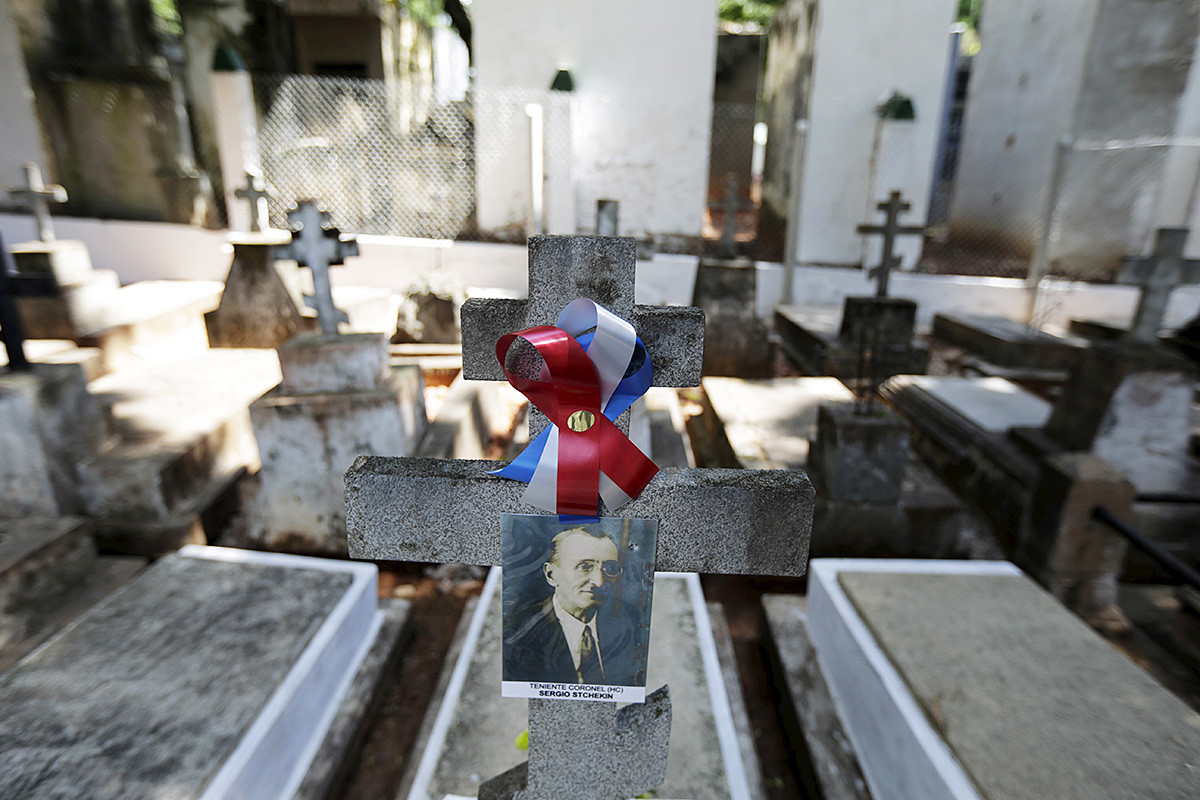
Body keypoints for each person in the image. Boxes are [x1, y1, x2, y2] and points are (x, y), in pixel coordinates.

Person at [504, 527, 642, 686]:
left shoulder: (631, 623)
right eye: (585, 567)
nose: (599, 582)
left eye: (610, 568)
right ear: (551, 575)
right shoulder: (518, 631)